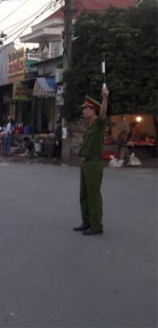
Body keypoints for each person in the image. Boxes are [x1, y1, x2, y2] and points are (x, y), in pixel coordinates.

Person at [74, 87, 109, 236]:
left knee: (94, 194)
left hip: (94, 163)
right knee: (84, 194)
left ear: (92, 110)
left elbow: (103, 113)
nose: (83, 111)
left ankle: (97, 225)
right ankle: (87, 221)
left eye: (85, 108)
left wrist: (105, 98)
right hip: (86, 162)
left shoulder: (99, 124)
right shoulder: (88, 125)